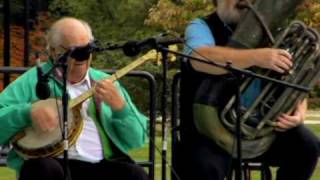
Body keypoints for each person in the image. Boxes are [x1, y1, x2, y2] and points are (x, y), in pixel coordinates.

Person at [175, 0, 320, 179]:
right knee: (204, 166)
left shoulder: (275, 33)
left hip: (261, 132)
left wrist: (299, 112)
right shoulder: (200, 26)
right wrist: (256, 57)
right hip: (207, 134)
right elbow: (199, 58)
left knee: (307, 146)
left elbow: (295, 81)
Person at [0, 17, 149, 180]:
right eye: (75, 51)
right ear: (55, 51)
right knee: (40, 168)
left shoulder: (105, 81)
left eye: (87, 50)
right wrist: (27, 113)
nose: (83, 57)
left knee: (135, 174)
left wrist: (121, 108)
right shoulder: (33, 81)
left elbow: (137, 140)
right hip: (53, 163)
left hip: (100, 165)